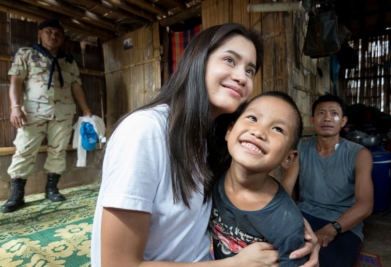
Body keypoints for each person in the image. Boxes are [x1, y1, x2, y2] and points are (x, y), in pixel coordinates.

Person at [91, 23, 318, 267]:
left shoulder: (214, 139)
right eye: (230, 60)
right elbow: (118, 264)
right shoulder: (145, 132)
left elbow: (246, 192)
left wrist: (292, 228)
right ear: (198, 60)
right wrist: (231, 265)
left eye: (250, 70)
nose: (242, 77)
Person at [0, 18, 92, 213]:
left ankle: (52, 189)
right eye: (49, 31)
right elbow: (15, 82)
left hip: (64, 112)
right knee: (24, 150)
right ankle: (17, 195)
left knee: (58, 150)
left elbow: (76, 86)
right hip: (33, 112)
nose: (54, 35)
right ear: (40, 34)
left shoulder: (68, 61)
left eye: (58, 33)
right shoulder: (26, 54)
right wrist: (15, 107)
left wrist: (85, 110)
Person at [210, 91, 308, 266]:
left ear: (288, 158)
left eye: (277, 129)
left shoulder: (287, 224)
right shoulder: (210, 179)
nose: (259, 132)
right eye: (253, 118)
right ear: (229, 131)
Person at [283, 94, 374, 267]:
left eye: (334, 114)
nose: (327, 118)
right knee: (284, 253)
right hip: (305, 216)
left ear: (343, 121)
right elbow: (286, 188)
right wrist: (288, 219)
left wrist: (332, 229)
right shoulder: (301, 149)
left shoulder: (359, 154)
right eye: (321, 113)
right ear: (312, 120)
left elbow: (365, 205)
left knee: (328, 261)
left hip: (343, 222)